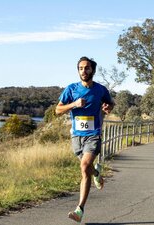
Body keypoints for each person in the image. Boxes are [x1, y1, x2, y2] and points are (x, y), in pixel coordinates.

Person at [55, 56, 114, 223]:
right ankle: (96, 173)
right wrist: (73, 104)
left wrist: (107, 107)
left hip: (93, 134)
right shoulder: (71, 89)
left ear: (93, 71)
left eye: (87, 68)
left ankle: (79, 210)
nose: (83, 71)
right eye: (81, 68)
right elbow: (58, 110)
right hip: (76, 136)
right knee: (86, 167)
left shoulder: (101, 90)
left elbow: (110, 104)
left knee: (84, 166)